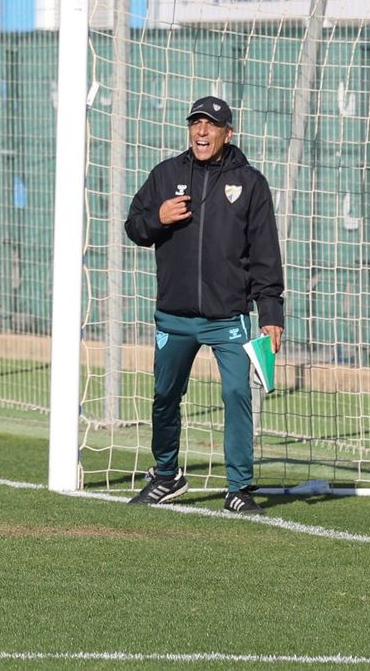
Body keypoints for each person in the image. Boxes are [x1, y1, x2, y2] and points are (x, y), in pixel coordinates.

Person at [125, 95, 285, 516]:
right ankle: (165, 475)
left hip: (227, 316)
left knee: (237, 394)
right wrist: (158, 216)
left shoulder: (250, 183)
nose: (201, 131)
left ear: (227, 133)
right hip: (173, 317)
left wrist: (271, 313)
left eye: (210, 125)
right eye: (195, 123)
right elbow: (134, 226)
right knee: (164, 395)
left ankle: (239, 487)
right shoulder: (165, 175)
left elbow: (265, 253)